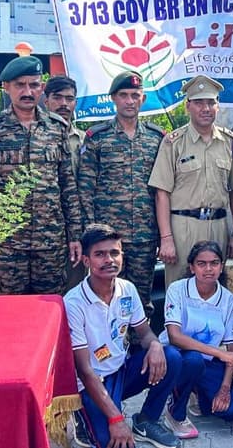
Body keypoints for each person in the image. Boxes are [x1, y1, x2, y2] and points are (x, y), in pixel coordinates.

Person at [0, 55, 82, 295]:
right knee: (8, 309)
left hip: (50, 241)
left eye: (34, 85)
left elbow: (67, 186)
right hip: (7, 244)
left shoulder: (57, 128)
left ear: (41, 88)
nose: (27, 92)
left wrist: (74, 235)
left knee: (49, 308)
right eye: (20, 85)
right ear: (6, 87)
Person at [63, 224, 181, 448]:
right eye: (100, 254)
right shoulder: (73, 302)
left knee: (171, 357)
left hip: (121, 370)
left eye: (114, 253)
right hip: (91, 382)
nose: (109, 260)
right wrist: (116, 419)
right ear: (86, 261)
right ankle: (83, 416)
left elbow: (144, 332)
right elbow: (84, 370)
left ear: (122, 256)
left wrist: (155, 345)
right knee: (113, 441)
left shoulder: (127, 289)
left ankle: (146, 421)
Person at [78, 71, 164, 317]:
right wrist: (90, 233)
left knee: (141, 298)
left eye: (135, 95)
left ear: (143, 99)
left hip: (145, 236)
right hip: (107, 237)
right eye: (123, 95)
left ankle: (139, 341)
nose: (129, 101)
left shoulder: (156, 138)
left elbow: (163, 188)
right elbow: (85, 188)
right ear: (113, 98)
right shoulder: (97, 137)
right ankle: (106, 341)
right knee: (104, 296)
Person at [149, 75, 233, 286]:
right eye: (199, 103)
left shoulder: (230, 142)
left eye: (210, 102)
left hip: (218, 226)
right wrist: (166, 239)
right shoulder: (173, 143)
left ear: (218, 106)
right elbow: (162, 193)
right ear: (188, 106)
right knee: (179, 287)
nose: (205, 108)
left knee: (216, 287)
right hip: (183, 228)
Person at [159, 240, 233, 439]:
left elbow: (232, 352)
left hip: (206, 362)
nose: (208, 269)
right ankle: (175, 413)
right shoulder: (177, 289)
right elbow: (174, 336)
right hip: (173, 357)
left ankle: (196, 392)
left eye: (214, 263)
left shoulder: (228, 299)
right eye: (201, 263)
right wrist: (217, 353)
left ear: (221, 267)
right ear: (192, 267)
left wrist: (225, 388)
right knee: (193, 360)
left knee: (232, 410)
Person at [44, 75, 87, 291]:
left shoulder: (83, 139)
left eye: (69, 99)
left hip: (76, 226)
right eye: (57, 98)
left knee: (73, 288)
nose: (64, 104)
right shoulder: (36, 137)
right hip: (44, 226)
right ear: (46, 101)